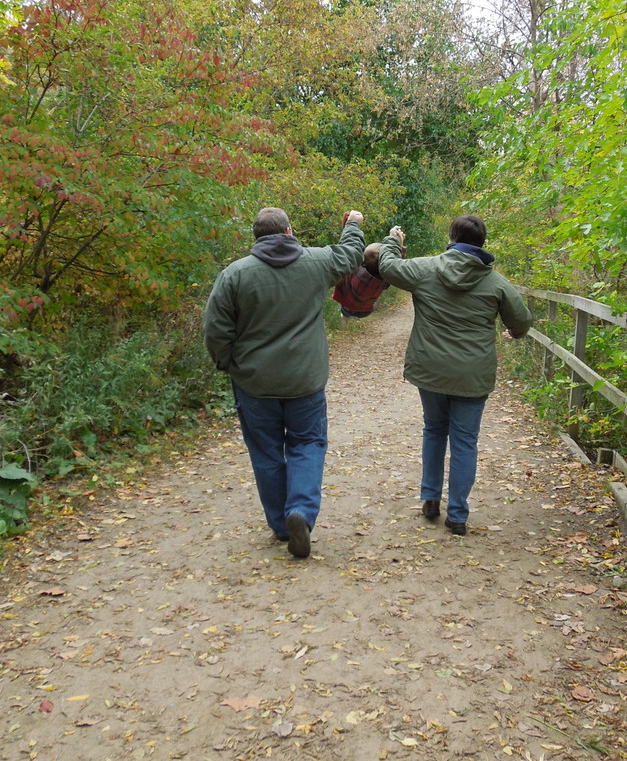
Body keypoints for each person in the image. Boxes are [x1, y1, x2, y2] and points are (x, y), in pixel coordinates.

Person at [203, 206, 365, 559]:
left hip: (254, 383)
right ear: (289, 231)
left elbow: (216, 329)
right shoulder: (316, 262)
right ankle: (301, 512)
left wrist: (228, 364)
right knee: (307, 443)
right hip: (305, 381)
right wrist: (353, 224)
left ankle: (280, 525)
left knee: (266, 452)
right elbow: (351, 255)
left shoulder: (235, 275)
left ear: (256, 237)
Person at [378, 214, 531, 536]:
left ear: (451, 237)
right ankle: (458, 514)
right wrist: (515, 333)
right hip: (472, 374)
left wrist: (393, 239)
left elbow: (387, 266)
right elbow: (521, 320)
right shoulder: (496, 282)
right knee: (465, 441)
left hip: (431, 369)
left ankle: (431, 498)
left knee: (434, 429)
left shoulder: (426, 269)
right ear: (483, 243)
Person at [332, 234, 403, 319]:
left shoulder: (355, 266)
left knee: (345, 310)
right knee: (373, 302)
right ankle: (347, 313)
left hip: (347, 304)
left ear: (363, 262)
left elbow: (347, 246)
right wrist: (400, 242)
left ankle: (345, 314)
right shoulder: (384, 279)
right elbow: (396, 263)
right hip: (365, 310)